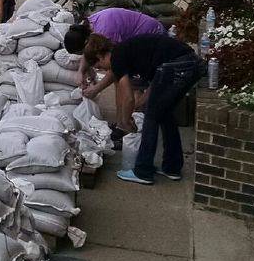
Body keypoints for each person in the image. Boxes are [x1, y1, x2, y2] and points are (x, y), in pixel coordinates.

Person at [82, 33, 201, 185]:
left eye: (99, 66)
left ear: (100, 56)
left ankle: (143, 171)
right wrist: (136, 107)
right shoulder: (130, 52)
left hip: (176, 66)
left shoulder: (117, 58)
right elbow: (152, 89)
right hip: (190, 63)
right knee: (164, 114)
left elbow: (128, 97)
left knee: (151, 116)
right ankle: (172, 168)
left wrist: (125, 121)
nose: (104, 70)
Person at [65, 8, 167, 136]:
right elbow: (96, 57)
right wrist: (81, 71)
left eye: (98, 64)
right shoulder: (86, 29)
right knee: (120, 83)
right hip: (140, 41)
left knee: (132, 88)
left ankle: (132, 130)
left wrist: (96, 89)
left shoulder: (106, 33)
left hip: (154, 40)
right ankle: (122, 124)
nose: (98, 67)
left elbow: (115, 69)